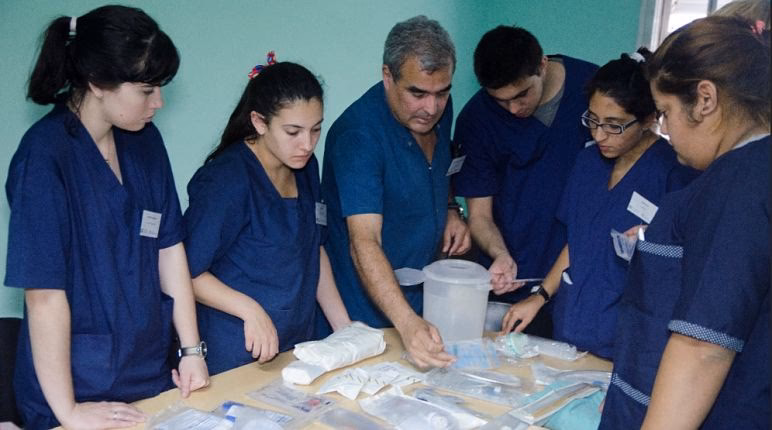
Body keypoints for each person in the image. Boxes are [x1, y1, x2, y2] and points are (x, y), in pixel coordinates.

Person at [4, 6, 209, 429]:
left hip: (149, 373)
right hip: (76, 386)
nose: (159, 102)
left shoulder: (144, 142)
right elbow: (43, 297)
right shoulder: (43, 159)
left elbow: (169, 249)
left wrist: (191, 352)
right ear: (98, 83)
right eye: (146, 90)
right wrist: (70, 412)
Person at [600, 15, 769, 428]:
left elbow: (702, 345)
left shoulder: (741, 182)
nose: (665, 130)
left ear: (705, 99)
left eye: (665, 112)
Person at [500, 49, 698, 359]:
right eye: (593, 120)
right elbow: (577, 240)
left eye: (614, 125)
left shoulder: (673, 174)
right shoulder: (588, 162)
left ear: (648, 119)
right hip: (569, 330)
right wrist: (539, 296)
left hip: (627, 344)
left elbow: (681, 269)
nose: (599, 134)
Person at [183, 58, 351, 375]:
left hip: (297, 343)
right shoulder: (225, 181)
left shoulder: (305, 167)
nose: (307, 144)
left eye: (316, 129)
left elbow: (314, 250)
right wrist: (250, 310)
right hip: (235, 351)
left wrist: (344, 329)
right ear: (260, 123)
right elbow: (186, 274)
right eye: (293, 132)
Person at [321, 15, 470, 369]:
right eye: (417, 93)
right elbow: (364, 241)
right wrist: (406, 323)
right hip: (365, 316)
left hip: (421, 300)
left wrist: (451, 208)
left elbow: (438, 166)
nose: (431, 108)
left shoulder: (435, 111)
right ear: (388, 77)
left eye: (442, 92)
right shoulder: (359, 136)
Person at [452, 26, 598, 337]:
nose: (514, 109)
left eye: (521, 95)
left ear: (542, 65)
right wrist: (499, 254)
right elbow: (479, 215)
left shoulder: (593, 94)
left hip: (579, 279)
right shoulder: (477, 120)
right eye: (500, 101)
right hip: (512, 283)